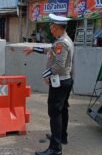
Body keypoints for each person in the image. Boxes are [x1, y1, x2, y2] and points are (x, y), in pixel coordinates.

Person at [24, 14, 74, 155]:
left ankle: (55, 148)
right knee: (62, 110)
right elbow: (50, 51)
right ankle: (61, 136)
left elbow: (59, 65)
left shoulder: (62, 43)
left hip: (60, 82)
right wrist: (33, 49)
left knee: (54, 113)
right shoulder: (62, 40)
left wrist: (45, 75)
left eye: (52, 27)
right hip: (65, 80)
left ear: (58, 27)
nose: (51, 29)